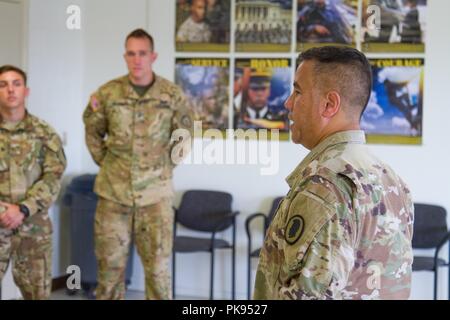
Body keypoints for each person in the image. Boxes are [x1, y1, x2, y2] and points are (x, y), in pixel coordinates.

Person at [253, 46, 414, 300]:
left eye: (297, 91)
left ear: (329, 104)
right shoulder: (392, 179)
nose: (288, 103)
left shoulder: (324, 186)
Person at [83, 29, 194, 300]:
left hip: (155, 198)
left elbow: (185, 137)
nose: (137, 60)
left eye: (142, 53)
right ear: (125, 56)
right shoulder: (107, 93)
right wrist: (108, 164)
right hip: (113, 195)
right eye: (131, 53)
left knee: (157, 272)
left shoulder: (172, 95)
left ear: (153, 56)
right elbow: (92, 131)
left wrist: (162, 168)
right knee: (109, 271)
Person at [0, 65, 67, 299]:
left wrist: (23, 209)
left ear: (25, 91)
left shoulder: (44, 133)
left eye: (16, 84)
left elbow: (53, 176)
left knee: (37, 295)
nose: (10, 90)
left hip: (34, 229)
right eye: (3, 84)